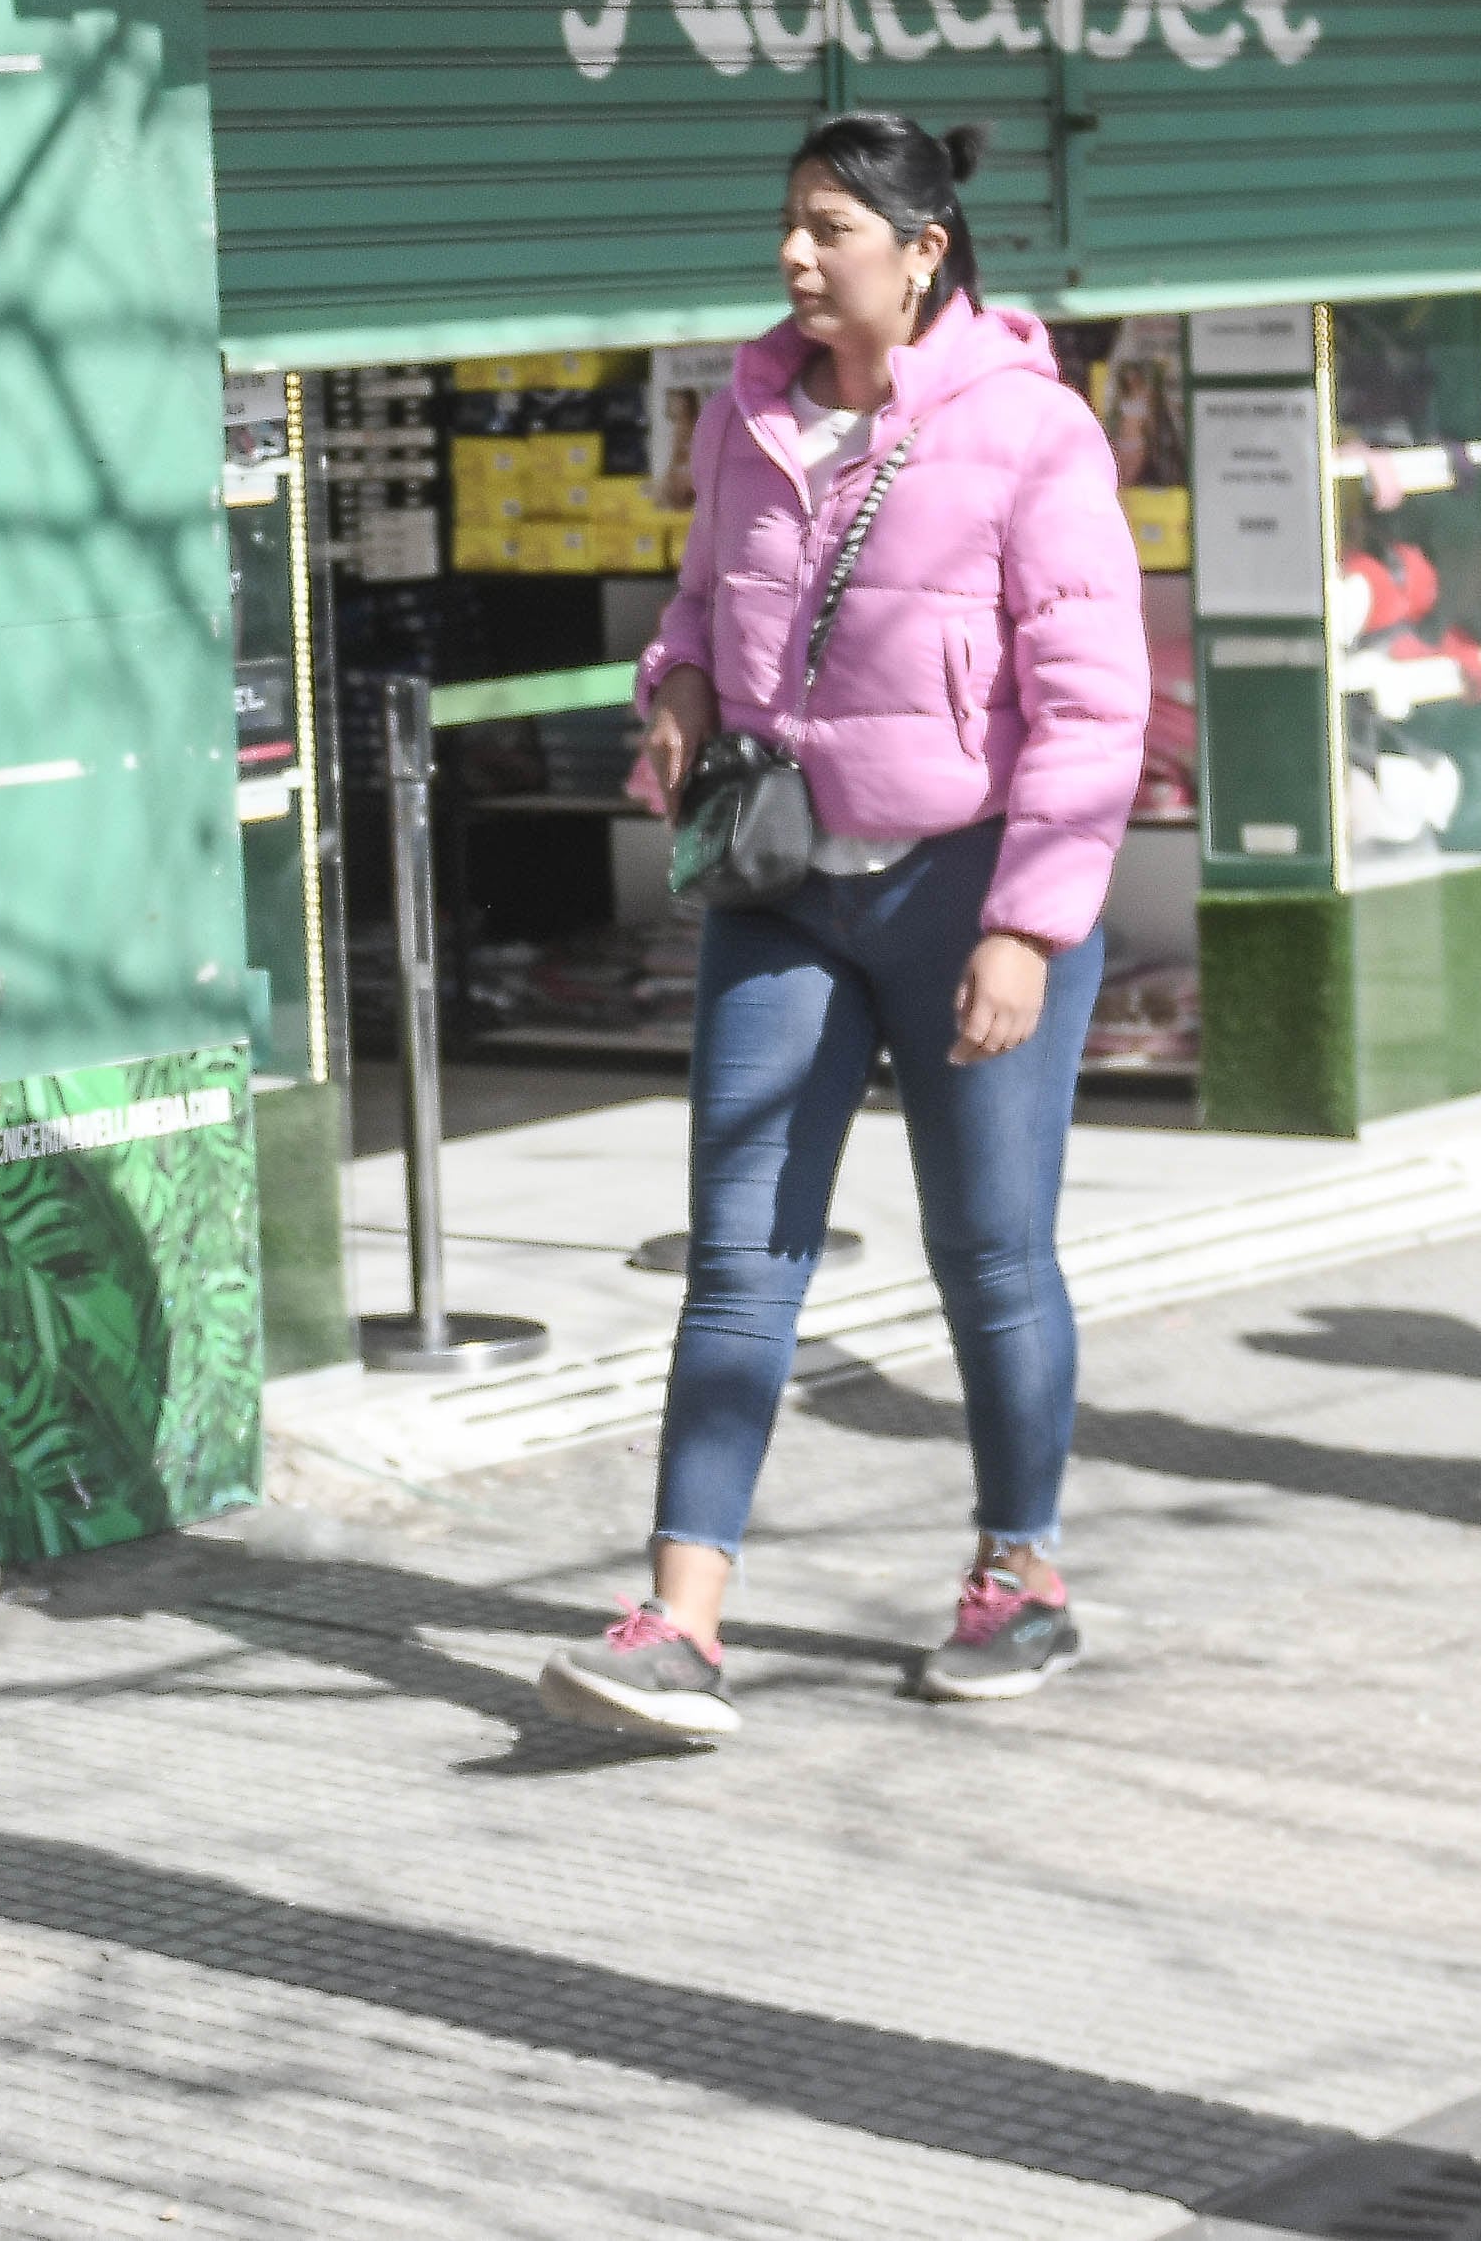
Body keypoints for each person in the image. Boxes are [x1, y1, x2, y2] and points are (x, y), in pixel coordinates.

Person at [537, 115, 1147, 1747]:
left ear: (921, 248)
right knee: (740, 1256)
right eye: (788, 227)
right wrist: (669, 694)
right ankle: (681, 1617)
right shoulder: (745, 416)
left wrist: (1027, 924)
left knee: (989, 1252)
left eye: (829, 229)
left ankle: (1020, 1574)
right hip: (781, 885)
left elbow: (1095, 706)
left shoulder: (1032, 432)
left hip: (964, 887)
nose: (795, 256)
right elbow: (693, 613)